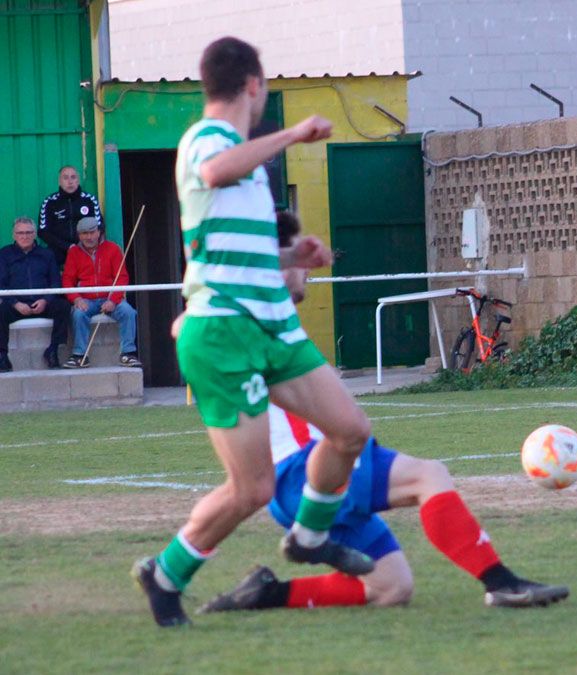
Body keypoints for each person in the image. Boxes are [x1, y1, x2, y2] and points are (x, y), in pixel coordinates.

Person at [196, 212, 567, 613]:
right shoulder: (253, 322)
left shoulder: (272, 322)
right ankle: (502, 584)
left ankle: (267, 593)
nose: (307, 268)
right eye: (297, 257)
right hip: (306, 469)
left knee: (392, 588)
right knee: (429, 475)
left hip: (304, 480)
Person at [132, 36, 377, 628]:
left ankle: (309, 537)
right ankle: (164, 574)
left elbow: (236, 251)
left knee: (349, 431)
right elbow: (215, 171)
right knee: (251, 490)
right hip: (222, 334)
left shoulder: (249, 163)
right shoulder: (209, 139)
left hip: (271, 327)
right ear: (253, 86)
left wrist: (297, 252)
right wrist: (293, 134)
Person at [61, 217, 140, 368]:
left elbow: (122, 277)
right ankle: (79, 355)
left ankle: (128, 354)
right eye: (84, 233)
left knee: (128, 312)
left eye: (92, 232)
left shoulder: (113, 248)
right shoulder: (74, 252)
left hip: (110, 298)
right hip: (86, 300)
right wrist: (76, 299)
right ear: (79, 235)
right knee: (78, 314)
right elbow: (67, 280)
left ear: (99, 232)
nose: (89, 237)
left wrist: (113, 300)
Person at [0, 216, 70, 371]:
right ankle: (2, 356)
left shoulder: (46, 254)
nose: (24, 236)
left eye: (28, 232)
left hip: (42, 304)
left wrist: (45, 300)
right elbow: (1, 284)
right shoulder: (4, 255)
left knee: (64, 307)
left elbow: (55, 282)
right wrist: (15, 303)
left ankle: (53, 350)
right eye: (20, 233)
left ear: (34, 234)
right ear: (13, 235)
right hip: (17, 305)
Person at [39, 165, 103, 266]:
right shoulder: (50, 202)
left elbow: (99, 226)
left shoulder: (89, 200)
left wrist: (83, 245)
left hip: (85, 249)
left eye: (73, 177)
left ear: (78, 180)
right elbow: (43, 231)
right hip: (57, 251)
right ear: (59, 181)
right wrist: (67, 246)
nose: (70, 181)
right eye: (65, 178)